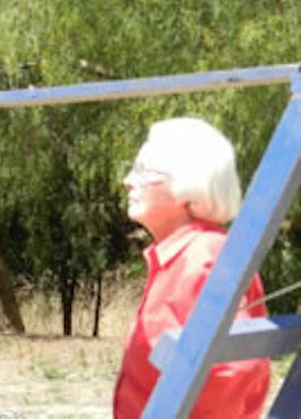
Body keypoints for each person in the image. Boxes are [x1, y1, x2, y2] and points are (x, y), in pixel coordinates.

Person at [113, 117, 270, 419]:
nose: (128, 180)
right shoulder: (182, 254)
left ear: (188, 184)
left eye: (143, 170)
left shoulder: (204, 257)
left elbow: (234, 371)